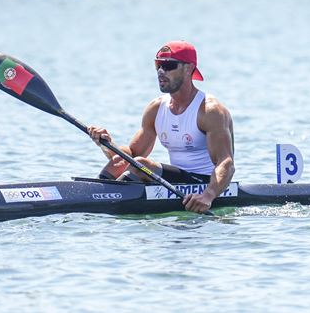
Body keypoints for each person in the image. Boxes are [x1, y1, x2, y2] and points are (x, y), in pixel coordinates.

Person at [87, 41, 235, 214]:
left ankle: (99, 203)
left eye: (168, 65)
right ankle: (94, 196)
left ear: (189, 68)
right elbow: (131, 155)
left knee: (142, 165)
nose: (161, 71)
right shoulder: (156, 108)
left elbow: (227, 163)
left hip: (205, 183)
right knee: (118, 161)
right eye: (158, 65)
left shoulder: (210, 111)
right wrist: (106, 143)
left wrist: (208, 195)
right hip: (176, 182)